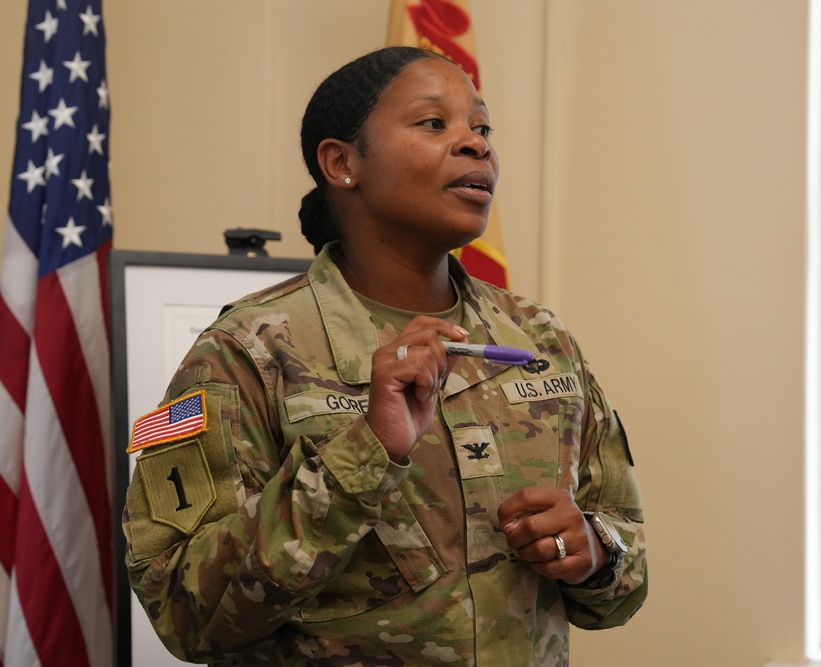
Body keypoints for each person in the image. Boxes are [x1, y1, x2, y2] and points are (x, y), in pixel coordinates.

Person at [123, 46, 647, 666]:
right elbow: (186, 615)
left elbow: (623, 575)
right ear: (341, 163)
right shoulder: (242, 351)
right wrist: (364, 451)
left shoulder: (539, 339)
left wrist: (592, 551)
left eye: (482, 128)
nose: (476, 144)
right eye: (435, 123)